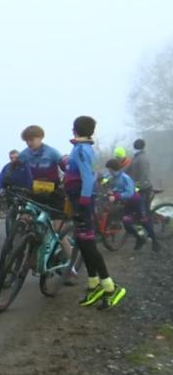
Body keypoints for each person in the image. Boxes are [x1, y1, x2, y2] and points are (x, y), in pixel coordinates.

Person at [67, 117, 125, 309]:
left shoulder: (82, 150)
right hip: (77, 200)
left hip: (82, 201)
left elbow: (88, 177)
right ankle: (93, 284)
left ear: (74, 129)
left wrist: (84, 200)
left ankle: (110, 287)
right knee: (83, 244)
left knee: (89, 245)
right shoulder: (81, 147)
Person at [17, 125, 73, 260]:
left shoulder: (52, 152)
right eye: (27, 140)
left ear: (41, 138)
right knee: (24, 218)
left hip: (54, 193)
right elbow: (14, 169)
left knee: (58, 230)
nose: (29, 143)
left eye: (32, 139)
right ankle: (23, 251)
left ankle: (71, 269)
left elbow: (66, 167)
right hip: (35, 192)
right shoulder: (24, 154)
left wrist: (71, 180)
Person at [104, 159, 159, 252]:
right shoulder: (113, 177)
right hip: (127, 204)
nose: (108, 171)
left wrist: (116, 196)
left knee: (144, 222)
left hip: (136, 203)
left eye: (109, 169)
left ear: (113, 169)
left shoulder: (125, 178)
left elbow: (129, 192)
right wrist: (110, 192)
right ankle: (140, 238)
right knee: (126, 223)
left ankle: (155, 242)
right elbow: (113, 187)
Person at [127, 139, 154, 209]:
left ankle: (146, 219)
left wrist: (138, 186)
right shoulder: (136, 157)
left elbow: (144, 174)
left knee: (144, 209)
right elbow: (127, 169)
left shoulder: (142, 158)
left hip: (143, 187)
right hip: (136, 185)